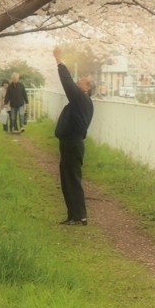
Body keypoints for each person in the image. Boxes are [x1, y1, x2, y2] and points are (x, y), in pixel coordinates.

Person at [52, 47, 95, 226]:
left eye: (82, 81)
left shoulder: (82, 99)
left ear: (87, 88)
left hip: (73, 144)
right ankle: (73, 215)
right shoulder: (79, 101)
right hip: (67, 143)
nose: (78, 81)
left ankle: (80, 216)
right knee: (66, 180)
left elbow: (67, 83)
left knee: (73, 180)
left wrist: (59, 60)